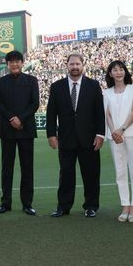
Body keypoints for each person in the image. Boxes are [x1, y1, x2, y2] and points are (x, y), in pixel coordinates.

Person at [46, 53, 104, 218]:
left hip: (89, 138)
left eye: (78, 64)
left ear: (83, 65)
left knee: (91, 174)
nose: (75, 67)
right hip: (66, 138)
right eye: (72, 64)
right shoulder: (57, 86)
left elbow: (99, 113)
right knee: (66, 174)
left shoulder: (93, 85)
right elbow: (51, 113)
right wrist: (51, 134)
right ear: (67, 65)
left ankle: (91, 206)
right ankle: (63, 206)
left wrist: (100, 134)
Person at [0, 50, 39, 216]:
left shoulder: (32, 81)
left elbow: (35, 104)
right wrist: (12, 118)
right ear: (7, 64)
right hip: (7, 130)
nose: (14, 64)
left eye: (17, 61)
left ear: (22, 62)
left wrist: (21, 119)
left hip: (26, 130)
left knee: (27, 168)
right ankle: (5, 203)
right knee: (7, 168)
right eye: (11, 61)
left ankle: (27, 203)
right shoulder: (0, 82)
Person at [103, 60, 133, 223]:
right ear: (110, 74)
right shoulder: (106, 93)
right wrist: (114, 131)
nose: (118, 72)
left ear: (125, 72)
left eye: (121, 69)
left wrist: (121, 129)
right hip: (114, 136)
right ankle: (125, 205)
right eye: (115, 70)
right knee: (120, 171)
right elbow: (107, 114)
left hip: (132, 133)